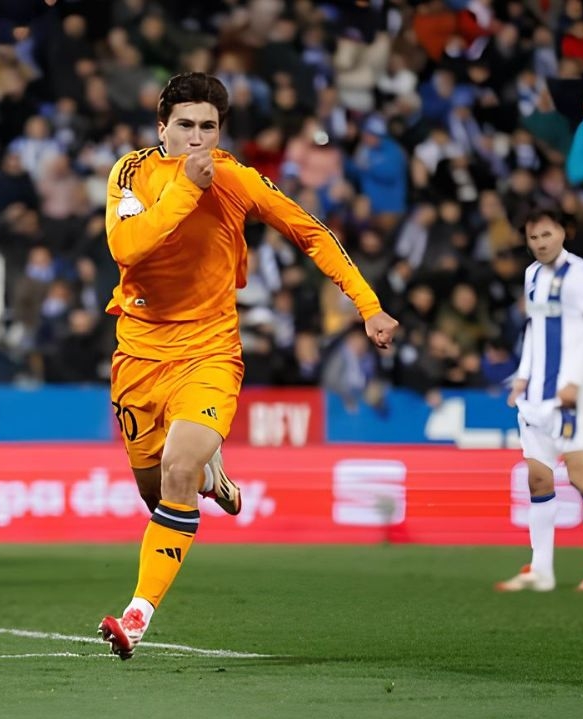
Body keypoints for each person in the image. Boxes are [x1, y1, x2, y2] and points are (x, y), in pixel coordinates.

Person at [96, 72, 399, 660]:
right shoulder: (130, 173)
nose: (196, 138)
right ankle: (215, 477)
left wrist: (369, 305)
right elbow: (127, 248)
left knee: (178, 474)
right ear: (162, 128)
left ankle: (137, 615)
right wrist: (185, 186)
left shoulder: (234, 179)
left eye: (207, 128)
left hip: (209, 349)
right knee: (155, 490)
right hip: (138, 354)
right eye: (184, 126)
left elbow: (309, 232)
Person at [497, 209, 583, 594]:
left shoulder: (581, 275)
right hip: (534, 398)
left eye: (547, 235)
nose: (541, 243)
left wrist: (574, 381)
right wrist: (522, 376)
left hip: (567, 398)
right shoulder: (532, 275)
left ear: (563, 232)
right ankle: (541, 569)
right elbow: (535, 327)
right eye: (533, 238)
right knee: (538, 479)